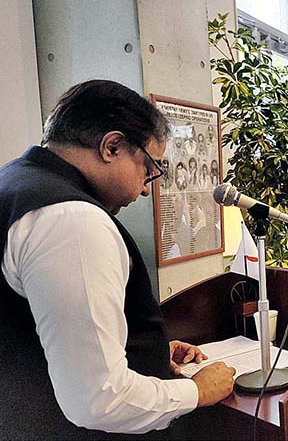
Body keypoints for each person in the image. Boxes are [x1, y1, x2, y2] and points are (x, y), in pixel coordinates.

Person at [0, 80, 236, 437]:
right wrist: (197, 390)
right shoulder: (72, 220)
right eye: (149, 170)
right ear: (112, 146)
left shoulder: (15, 183)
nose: (145, 188)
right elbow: (98, 398)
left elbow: (44, 330)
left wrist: (145, 353)